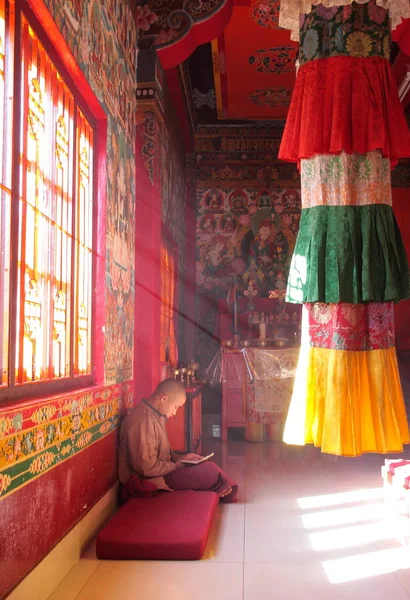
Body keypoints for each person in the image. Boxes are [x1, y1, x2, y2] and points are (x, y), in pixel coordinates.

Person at [118, 379, 237, 502]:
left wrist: (181, 458)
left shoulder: (155, 415)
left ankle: (216, 486)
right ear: (164, 399)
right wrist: (176, 466)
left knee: (205, 464)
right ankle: (217, 486)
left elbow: (161, 454)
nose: (174, 412)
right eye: (176, 407)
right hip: (150, 479)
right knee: (210, 472)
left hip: (163, 471)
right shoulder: (142, 422)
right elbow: (146, 468)